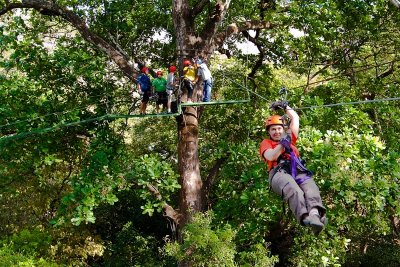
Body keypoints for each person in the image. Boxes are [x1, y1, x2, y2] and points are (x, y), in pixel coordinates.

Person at [259, 100, 327, 234]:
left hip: (297, 169)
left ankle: (315, 214)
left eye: (279, 128)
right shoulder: (266, 143)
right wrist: (282, 144)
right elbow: (272, 156)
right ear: (269, 132)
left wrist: (285, 107)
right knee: (293, 189)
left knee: (311, 188)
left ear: (283, 129)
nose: (277, 132)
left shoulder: (290, 138)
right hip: (279, 173)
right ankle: (305, 217)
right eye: (273, 129)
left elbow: (295, 117)